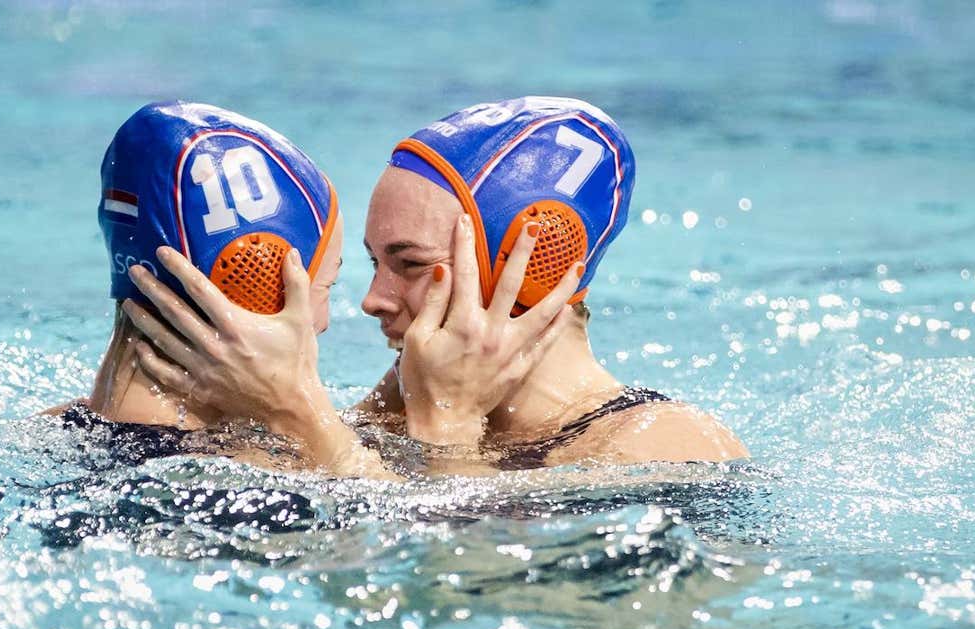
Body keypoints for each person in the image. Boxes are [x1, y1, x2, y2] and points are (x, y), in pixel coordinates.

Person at [128, 97, 748, 470]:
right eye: (374, 264)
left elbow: (451, 587)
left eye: (411, 264)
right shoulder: (406, 398)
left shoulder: (665, 445)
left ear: (529, 266)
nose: (372, 300)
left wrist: (442, 427)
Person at [48, 101, 359, 471]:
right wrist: (303, 414)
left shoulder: (54, 431)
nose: (323, 320)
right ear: (255, 288)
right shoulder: (238, 486)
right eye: (326, 286)